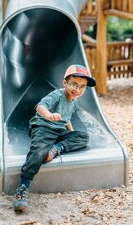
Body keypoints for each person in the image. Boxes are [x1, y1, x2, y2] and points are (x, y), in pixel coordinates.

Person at [14, 64, 96, 211]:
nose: (77, 90)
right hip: (43, 128)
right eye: (74, 84)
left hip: (59, 131)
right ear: (65, 82)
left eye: (82, 87)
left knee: (83, 137)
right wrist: (50, 116)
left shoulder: (74, 100)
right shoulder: (57, 95)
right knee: (39, 151)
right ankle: (23, 187)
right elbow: (40, 107)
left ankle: (56, 149)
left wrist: (71, 134)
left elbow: (66, 118)